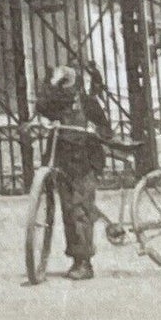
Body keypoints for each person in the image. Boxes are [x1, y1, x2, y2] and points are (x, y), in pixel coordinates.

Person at [33, 64, 111, 280]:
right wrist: (52, 82)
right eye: (62, 85)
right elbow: (41, 106)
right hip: (63, 162)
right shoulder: (57, 104)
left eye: (68, 84)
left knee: (79, 210)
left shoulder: (87, 103)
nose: (68, 91)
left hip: (84, 161)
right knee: (70, 210)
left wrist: (94, 132)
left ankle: (84, 263)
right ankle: (78, 258)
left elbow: (106, 129)